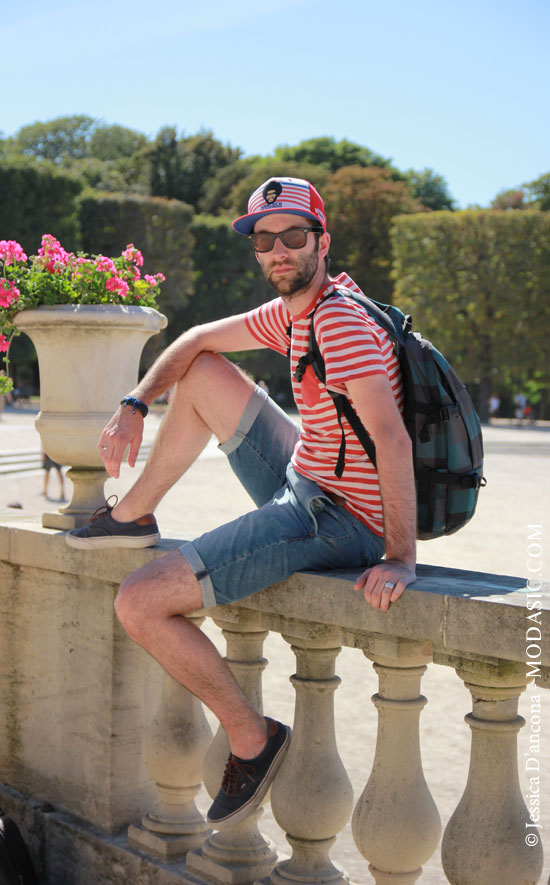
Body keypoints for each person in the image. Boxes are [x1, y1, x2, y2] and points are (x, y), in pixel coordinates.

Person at [66, 177, 416, 829]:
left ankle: (253, 736)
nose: (278, 249)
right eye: (265, 238)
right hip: (304, 473)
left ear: (321, 241)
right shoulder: (295, 311)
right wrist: (135, 402)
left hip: (336, 516)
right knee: (200, 371)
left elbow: (391, 436)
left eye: (293, 235)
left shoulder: (338, 320)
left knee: (138, 602)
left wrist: (400, 557)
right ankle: (132, 513)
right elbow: (195, 337)